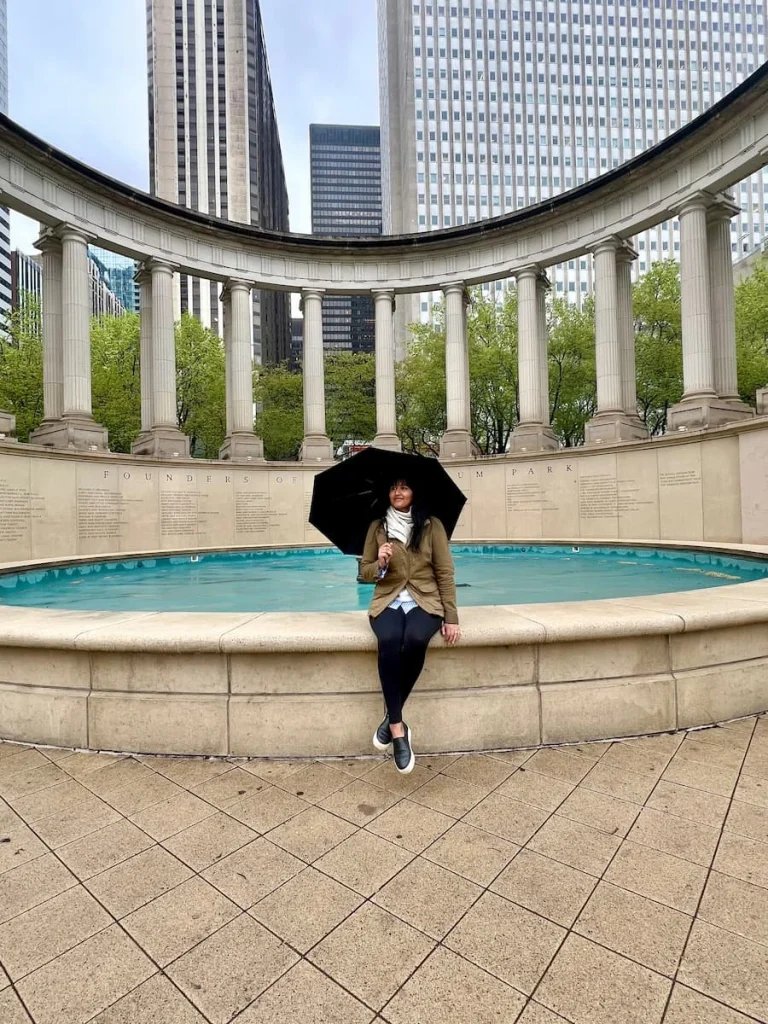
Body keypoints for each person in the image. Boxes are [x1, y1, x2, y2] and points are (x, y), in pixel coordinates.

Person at [359, 478, 460, 773]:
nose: (397, 493)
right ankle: (398, 728)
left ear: (415, 491)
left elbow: (444, 571)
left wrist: (451, 617)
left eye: (403, 487)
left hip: (424, 600)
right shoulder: (378, 528)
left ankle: (391, 720)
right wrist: (379, 562)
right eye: (392, 488)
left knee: (415, 639)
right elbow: (364, 572)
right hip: (387, 599)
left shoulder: (431, 525)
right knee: (389, 639)